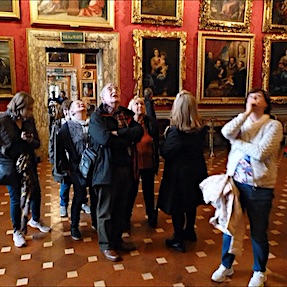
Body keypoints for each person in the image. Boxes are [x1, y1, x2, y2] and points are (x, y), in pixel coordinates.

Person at [211, 88, 283, 287]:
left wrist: (238, 141)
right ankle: (227, 265)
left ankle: (259, 271)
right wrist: (245, 114)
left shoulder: (273, 126)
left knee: (258, 231)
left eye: (258, 96)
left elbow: (260, 153)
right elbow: (226, 132)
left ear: (266, 103)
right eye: (251, 96)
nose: (254, 99)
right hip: (235, 184)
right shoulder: (242, 121)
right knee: (230, 226)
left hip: (260, 188)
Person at [88, 83, 143, 262]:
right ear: (103, 98)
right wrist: (125, 138)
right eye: (109, 90)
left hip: (125, 168)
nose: (114, 91)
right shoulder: (97, 117)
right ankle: (106, 245)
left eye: (117, 89)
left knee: (120, 207)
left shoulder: (126, 114)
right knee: (106, 210)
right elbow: (104, 139)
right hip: (105, 169)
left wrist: (117, 133)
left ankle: (117, 240)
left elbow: (138, 132)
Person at [157, 90, 208, 253]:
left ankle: (178, 238)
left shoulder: (175, 132)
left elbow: (166, 152)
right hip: (196, 171)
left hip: (178, 175)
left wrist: (161, 141)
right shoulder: (201, 129)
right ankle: (190, 231)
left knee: (178, 206)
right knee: (191, 203)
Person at [0, 92, 50, 247]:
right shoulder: (2, 120)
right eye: (28, 109)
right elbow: (7, 149)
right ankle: (17, 231)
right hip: (10, 165)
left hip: (28, 162)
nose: (30, 112)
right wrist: (24, 143)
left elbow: (37, 143)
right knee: (16, 198)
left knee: (36, 192)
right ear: (19, 107)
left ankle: (35, 219)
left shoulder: (29, 120)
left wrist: (29, 141)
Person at [57, 100, 97, 240]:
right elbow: (60, 149)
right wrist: (66, 168)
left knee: (95, 195)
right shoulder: (66, 128)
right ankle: (74, 226)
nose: (81, 104)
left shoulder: (93, 122)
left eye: (82, 103)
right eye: (77, 104)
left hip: (94, 165)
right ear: (71, 111)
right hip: (77, 167)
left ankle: (96, 221)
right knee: (79, 196)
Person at [125, 96, 159, 229]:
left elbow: (156, 141)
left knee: (149, 192)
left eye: (141, 104)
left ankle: (152, 217)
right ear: (131, 108)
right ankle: (125, 218)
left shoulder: (150, 123)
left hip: (149, 163)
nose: (140, 106)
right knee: (130, 192)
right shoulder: (128, 123)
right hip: (132, 164)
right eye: (136, 104)